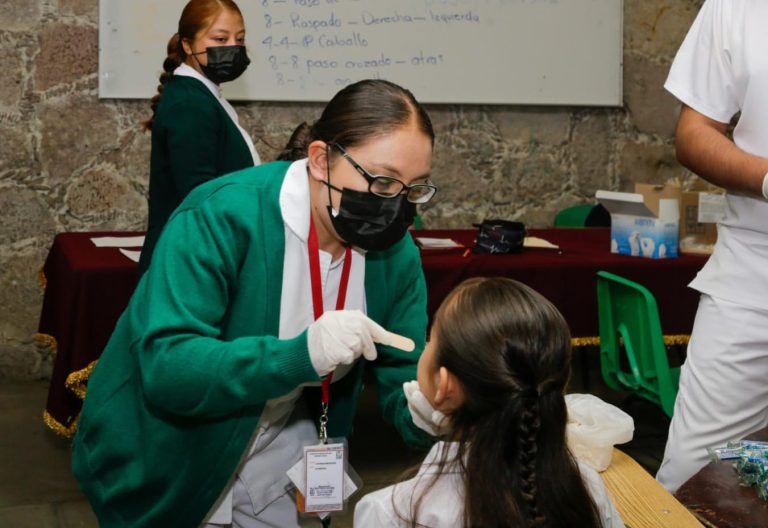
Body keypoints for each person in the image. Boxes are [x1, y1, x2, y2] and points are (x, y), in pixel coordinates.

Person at [72, 79, 438, 527]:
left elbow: (405, 371)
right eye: (382, 182)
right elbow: (168, 366)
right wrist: (299, 355)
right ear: (320, 160)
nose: (396, 205)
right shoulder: (221, 215)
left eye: (414, 188)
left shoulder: (394, 254)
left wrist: (429, 413)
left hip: (279, 441)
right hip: (171, 449)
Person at [354, 277, 624, 527]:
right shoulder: (587, 489)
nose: (426, 347)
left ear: (444, 385)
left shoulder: (391, 513)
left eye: (431, 340)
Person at [655, 0, 768, 493]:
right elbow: (694, 132)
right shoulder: (736, 7)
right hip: (754, 262)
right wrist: (767, 178)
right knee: (690, 470)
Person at [138, 0, 260, 274]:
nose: (233, 47)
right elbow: (200, 196)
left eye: (240, 39)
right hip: (190, 260)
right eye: (220, 39)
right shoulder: (190, 103)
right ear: (187, 44)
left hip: (202, 252)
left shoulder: (203, 95)